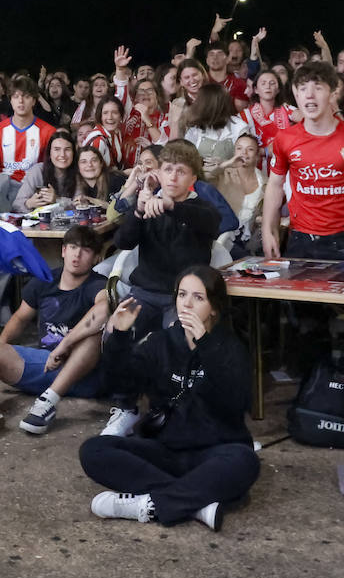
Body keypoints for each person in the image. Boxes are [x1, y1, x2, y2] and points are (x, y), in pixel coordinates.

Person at [51, 140, 221, 436]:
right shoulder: (149, 204)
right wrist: (139, 210)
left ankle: (175, 412)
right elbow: (125, 242)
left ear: (193, 178)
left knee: (177, 342)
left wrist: (171, 206)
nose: (173, 177)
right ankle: (125, 408)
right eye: (168, 169)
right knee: (115, 332)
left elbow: (210, 222)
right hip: (144, 293)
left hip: (182, 299)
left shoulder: (200, 207)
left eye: (181, 171)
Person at [78, 266, 258, 531]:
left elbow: (235, 402)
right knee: (93, 450)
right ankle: (194, 503)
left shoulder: (230, 347)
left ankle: (148, 504)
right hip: (165, 450)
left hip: (215, 450)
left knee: (246, 462)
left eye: (198, 297)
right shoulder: (160, 343)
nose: (187, 303)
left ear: (214, 308)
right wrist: (120, 337)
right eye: (182, 294)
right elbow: (121, 386)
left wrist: (205, 345)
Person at [0, 225, 106, 435]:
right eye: (73, 247)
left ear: (95, 258)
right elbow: (20, 318)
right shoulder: (45, 280)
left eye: (86, 250)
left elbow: (104, 308)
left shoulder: (97, 284)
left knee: (95, 332)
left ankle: (49, 401)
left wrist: (65, 344)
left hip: (83, 372)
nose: (77, 254)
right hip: (45, 365)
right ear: (63, 251)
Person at [263, 61, 344, 263]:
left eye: (318, 88)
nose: (310, 94)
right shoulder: (285, 138)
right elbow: (275, 185)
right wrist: (267, 230)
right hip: (302, 238)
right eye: (303, 88)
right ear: (296, 94)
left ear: (332, 94)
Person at [0, 75, 55, 203]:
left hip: (33, 192)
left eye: (26, 96)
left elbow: (50, 172)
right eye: (16, 96)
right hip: (4, 192)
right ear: (10, 100)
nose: (21, 101)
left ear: (34, 101)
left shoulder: (48, 131)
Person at [178, 84, 249, 181]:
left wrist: (224, 163)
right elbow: (183, 160)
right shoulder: (195, 129)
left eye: (199, 100)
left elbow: (246, 161)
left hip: (231, 184)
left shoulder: (239, 128)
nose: (195, 104)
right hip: (200, 183)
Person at [13, 129, 78, 212]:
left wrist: (57, 200)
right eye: (57, 149)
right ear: (49, 153)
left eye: (67, 149)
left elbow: (80, 205)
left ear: (73, 153)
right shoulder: (38, 170)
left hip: (72, 223)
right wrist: (28, 203)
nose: (62, 155)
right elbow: (16, 204)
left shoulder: (78, 173)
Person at [244, 69, 294, 164]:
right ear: (256, 89)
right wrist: (265, 151)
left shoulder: (286, 109)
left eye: (272, 83)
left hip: (285, 168)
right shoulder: (245, 115)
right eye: (263, 83)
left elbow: (305, 118)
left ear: (278, 89)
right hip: (257, 169)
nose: (268, 86)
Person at [83, 97, 132, 170]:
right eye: (105, 113)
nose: (110, 117)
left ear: (121, 116)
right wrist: (123, 174)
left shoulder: (117, 134)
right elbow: (92, 172)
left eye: (115, 113)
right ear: (100, 116)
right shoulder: (98, 141)